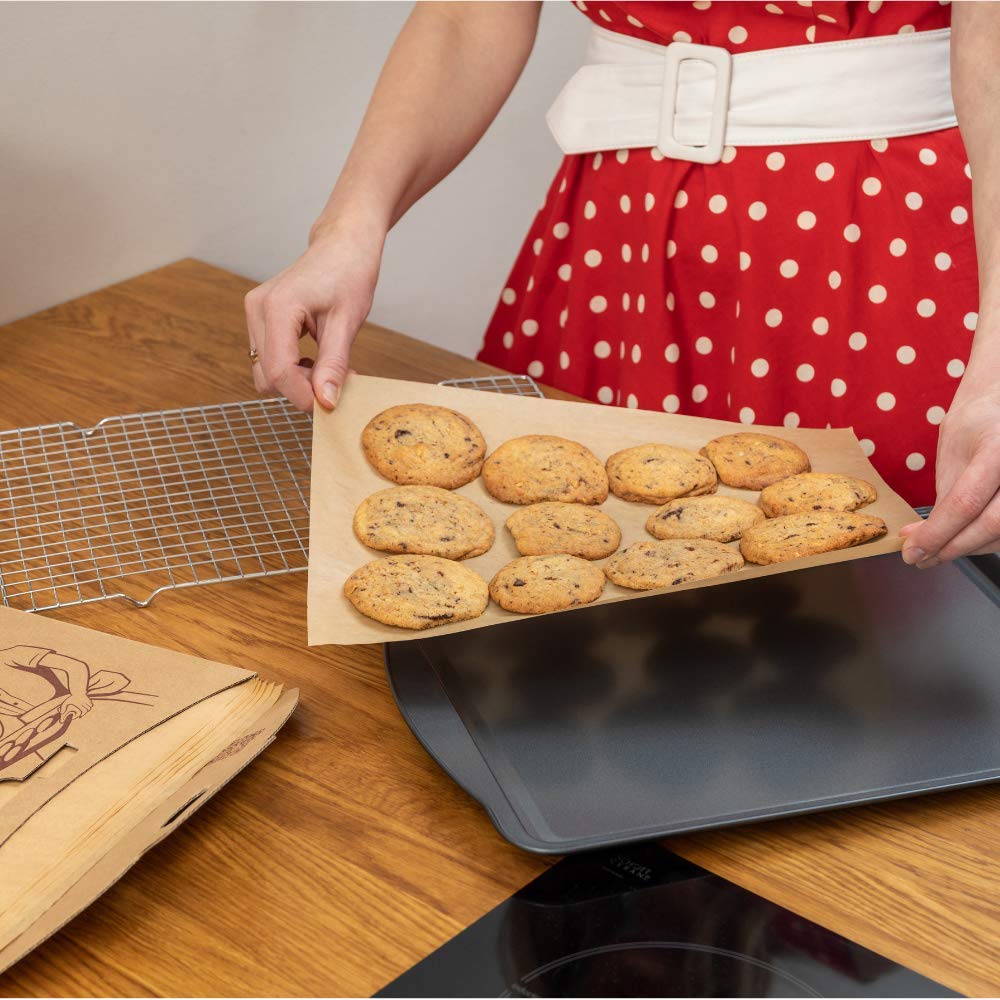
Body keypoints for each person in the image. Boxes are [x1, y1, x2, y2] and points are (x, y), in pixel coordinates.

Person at [244, 1, 999, 568]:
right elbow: (467, 16)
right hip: (622, 248)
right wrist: (349, 226)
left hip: (882, 255)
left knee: (880, 627)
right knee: (587, 601)